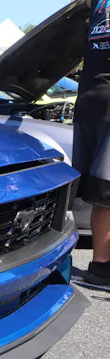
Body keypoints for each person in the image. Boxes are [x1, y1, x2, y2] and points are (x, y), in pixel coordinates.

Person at [74, 0, 110, 285]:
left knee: (103, 193)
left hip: (94, 103)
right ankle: (100, 268)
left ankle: (100, 267)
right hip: (95, 106)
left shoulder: (95, 5)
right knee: (101, 192)